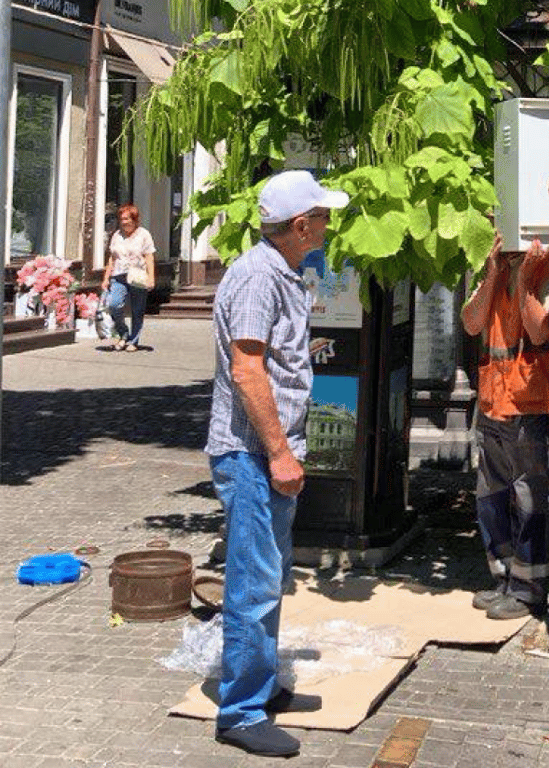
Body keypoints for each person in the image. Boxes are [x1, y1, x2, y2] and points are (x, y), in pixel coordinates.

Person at [204, 170, 349, 758]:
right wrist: (281, 452)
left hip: (264, 453)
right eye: (321, 216)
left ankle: (258, 689)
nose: (327, 224)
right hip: (253, 455)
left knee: (268, 577)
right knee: (254, 584)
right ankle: (239, 712)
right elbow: (246, 370)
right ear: (300, 225)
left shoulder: (278, 271)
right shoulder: (260, 277)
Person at [461, 229, 549, 620]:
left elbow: (538, 329)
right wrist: (494, 274)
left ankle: (529, 590)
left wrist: (525, 280)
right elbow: (472, 323)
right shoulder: (496, 265)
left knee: (530, 498)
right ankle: (504, 578)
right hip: (495, 398)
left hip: (535, 403)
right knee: (490, 494)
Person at [101, 203, 156, 351]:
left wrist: (151, 278)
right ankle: (123, 333)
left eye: (127, 218)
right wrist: (106, 278)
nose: (124, 222)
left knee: (137, 310)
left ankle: (133, 341)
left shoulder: (144, 234)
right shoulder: (117, 236)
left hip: (137, 276)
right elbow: (112, 258)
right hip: (119, 275)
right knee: (114, 304)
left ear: (135, 219)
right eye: (122, 219)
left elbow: (149, 257)